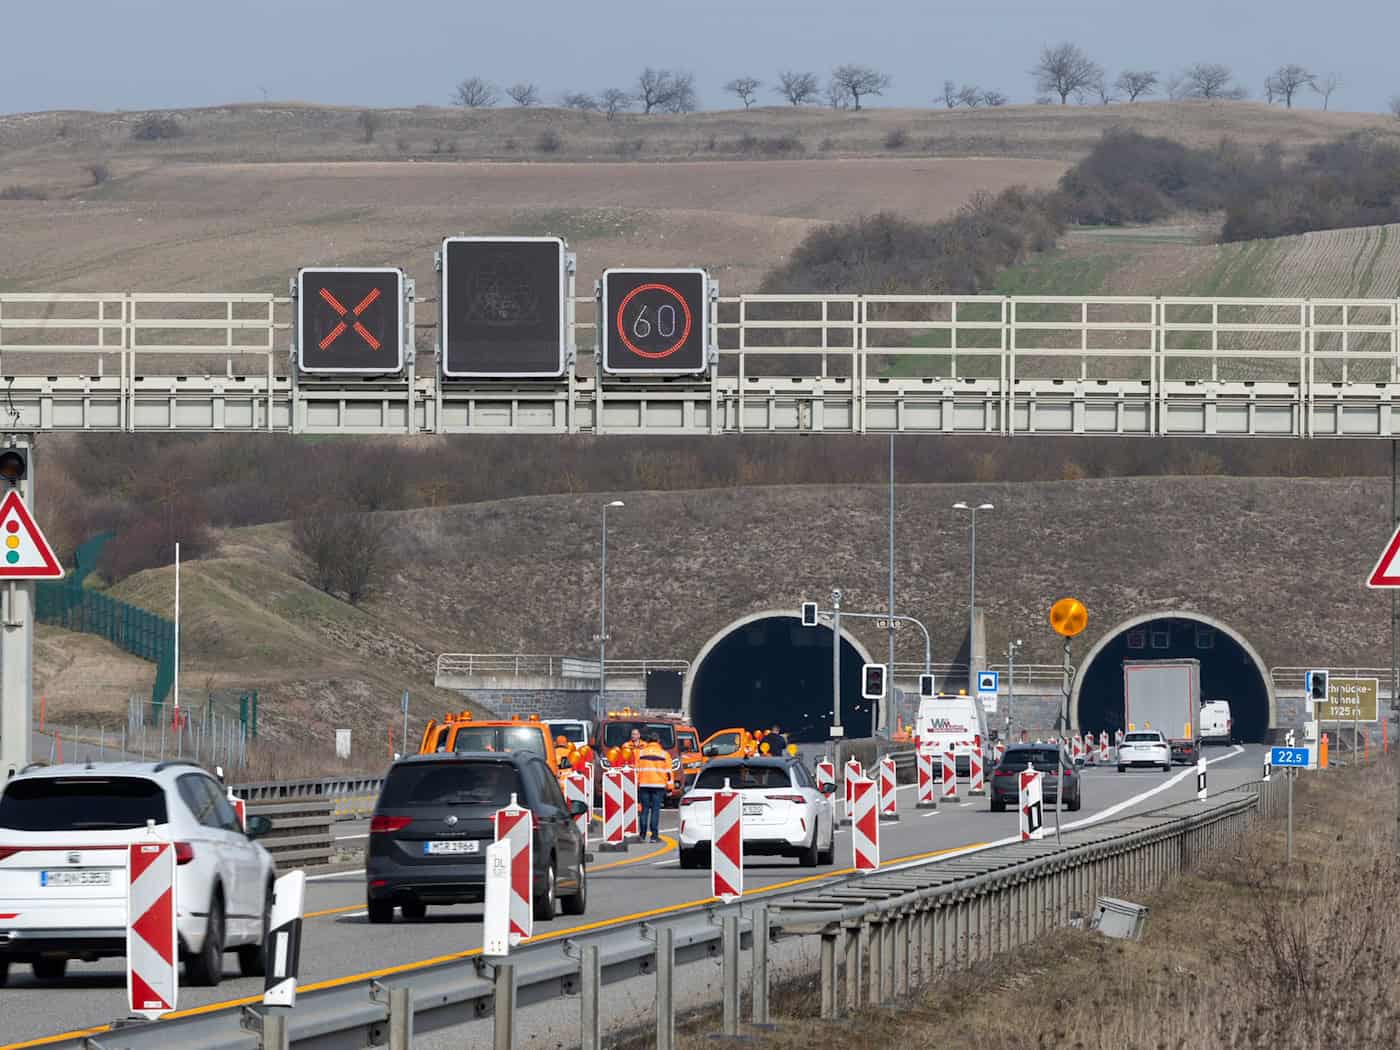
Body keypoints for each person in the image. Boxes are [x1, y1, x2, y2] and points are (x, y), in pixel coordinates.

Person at [635, 733, 672, 842]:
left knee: (644, 810)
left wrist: (637, 784)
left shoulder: (641, 753)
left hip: (644, 784)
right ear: (658, 741)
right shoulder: (664, 754)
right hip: (658, 785)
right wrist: (670, 788)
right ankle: (654, 836)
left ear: (648, 742)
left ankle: (642, 835)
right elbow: (669, 773)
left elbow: (636, 770)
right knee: (655, 810)